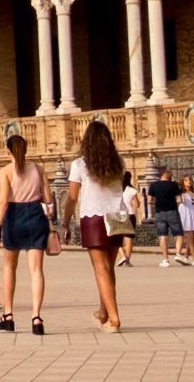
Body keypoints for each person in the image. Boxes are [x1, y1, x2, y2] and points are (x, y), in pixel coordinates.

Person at [64, 121, 127, 333]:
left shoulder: (80, 164)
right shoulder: (118, 162)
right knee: (109, 268)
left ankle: (114, 319)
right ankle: (103, 312)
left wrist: (65, 221)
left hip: (93, 216)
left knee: (100, 269)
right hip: (117, 216)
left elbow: (72, 197)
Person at [0, 133, 51, 335]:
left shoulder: (6, 171)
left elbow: (3, 201)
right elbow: (48, 199)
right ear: (26, 149)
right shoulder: (39, 169)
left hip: (13, 216)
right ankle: (36, 317)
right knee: (36, 270)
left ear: (7, 151)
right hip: (35, 215)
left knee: (9, 267)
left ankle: (8, 315)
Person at [147, 166, 184, 267]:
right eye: (169, 172)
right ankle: (178, 254)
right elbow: (179, 200)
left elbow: (149, 201)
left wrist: (158, 202)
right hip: (172, 211)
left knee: (162, 235)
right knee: (179, 234)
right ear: (167, 174)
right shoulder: (173, 184)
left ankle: (165, 260)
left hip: (159, 212)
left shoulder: (153, 185)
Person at [116, 172, 142, 268]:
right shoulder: (132, 190)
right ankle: (127, 260)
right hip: (130, 215)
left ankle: (123, 256)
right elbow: (137, 204)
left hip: (119, 215)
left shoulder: (116, 190)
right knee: (129, 238)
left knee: (116, 238)